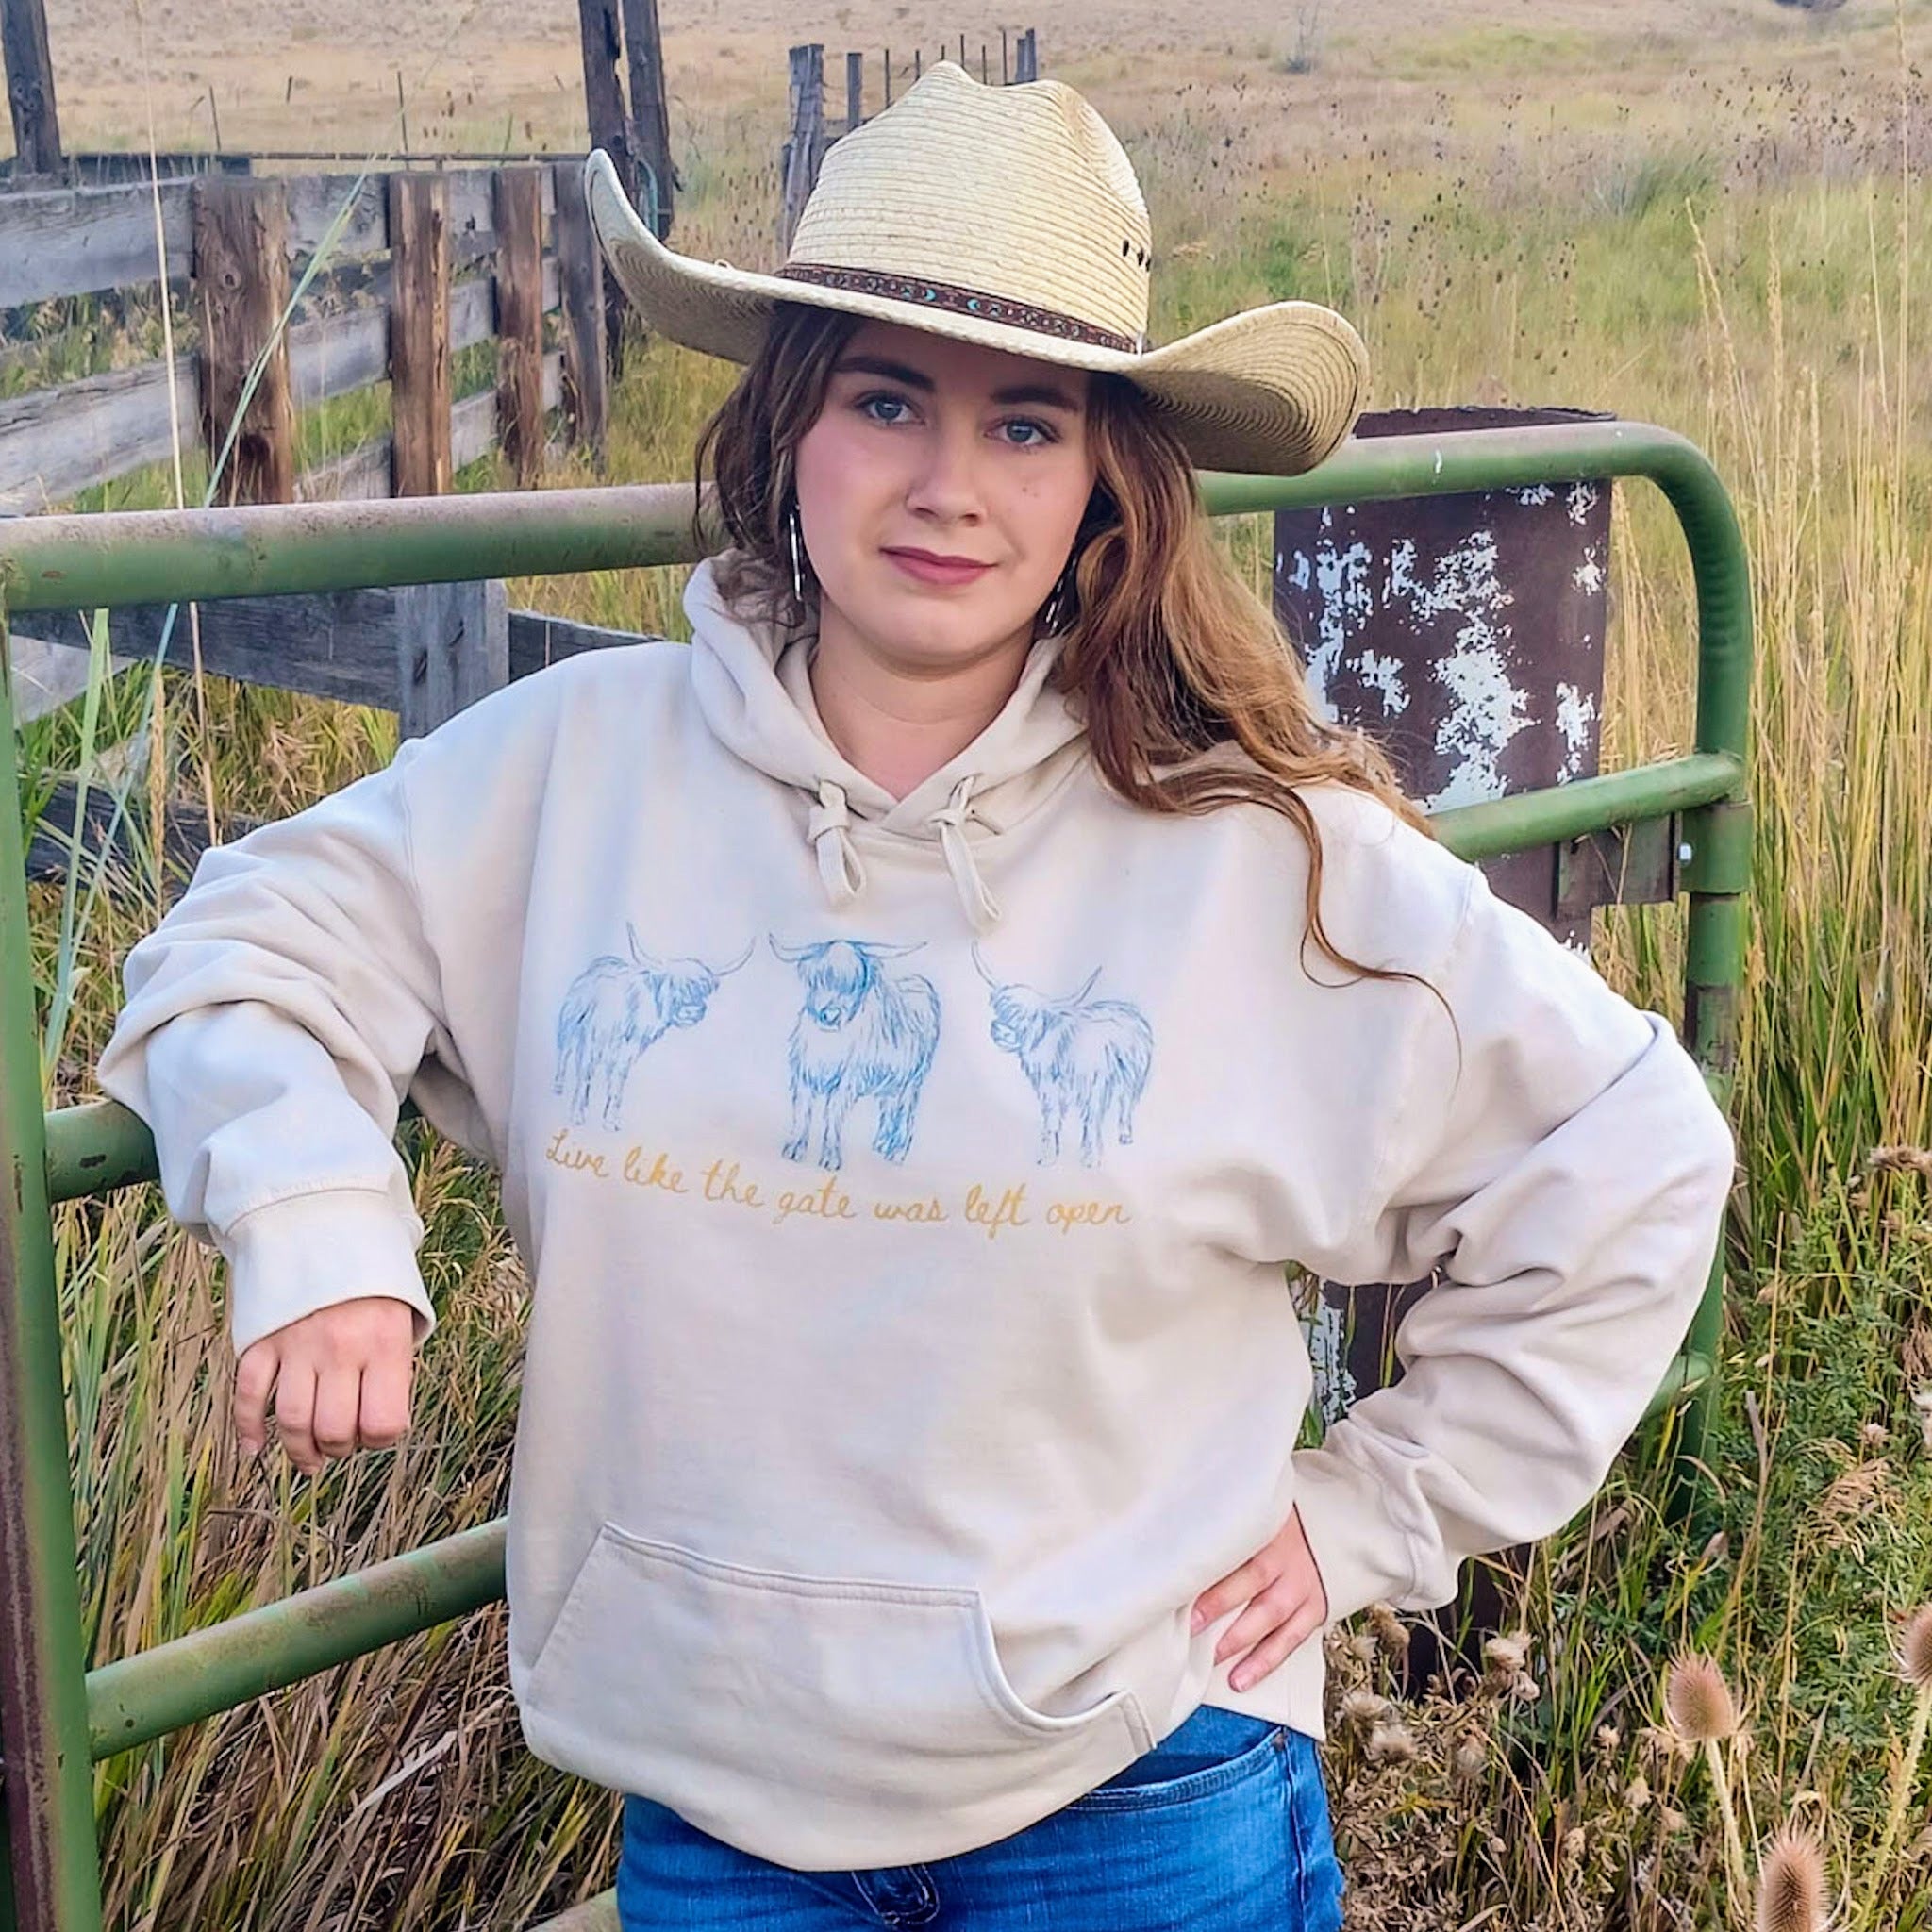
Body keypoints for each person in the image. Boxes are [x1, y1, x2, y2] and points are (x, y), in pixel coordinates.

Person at [94, 61, 1734, 1932]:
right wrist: (314, 1220)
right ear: (790, 426)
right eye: (889, 400)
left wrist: (1378, 1507)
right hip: (717, 1794)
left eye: (1026, 426)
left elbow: (1629, 1146)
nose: (952, 486)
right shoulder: (573, 774)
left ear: (1107, 474)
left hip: (1140, 1775)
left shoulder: (1254, 855)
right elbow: (249, 940)